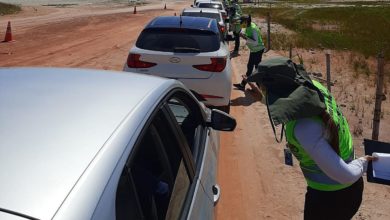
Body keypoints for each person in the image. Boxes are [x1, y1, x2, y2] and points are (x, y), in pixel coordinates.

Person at [246, 57, 378, 220]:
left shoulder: (304, 128)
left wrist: (364, 162)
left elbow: (345, 175)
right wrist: (264, 99)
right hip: (351, 192)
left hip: (329, 198)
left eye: (262, 86)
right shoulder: (315, 87)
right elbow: (296, 103)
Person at [233, 15, 265, 91]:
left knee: (253, 67)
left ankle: (259, 86)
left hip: (257, 50)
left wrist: (244, 37)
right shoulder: (249, 26)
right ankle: (257, 86)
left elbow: (255, 41)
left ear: (246, 22)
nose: (241, 24)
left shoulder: (253, 28)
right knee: (255, 67)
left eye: (242, 22)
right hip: (255, 50)